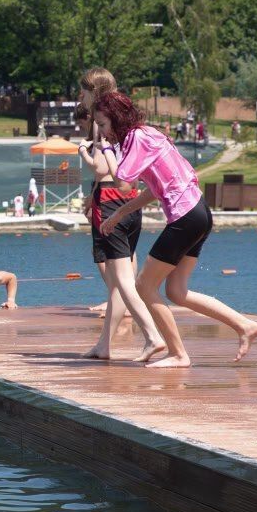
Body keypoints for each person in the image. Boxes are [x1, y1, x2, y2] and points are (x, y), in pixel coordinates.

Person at [96, 91, 257, 368]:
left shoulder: (136, 138)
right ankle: (244, 325)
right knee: (176, 291)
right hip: (199, 213)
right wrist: (121, 213)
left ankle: (178, 353)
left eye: (103, 124)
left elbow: (124, 184)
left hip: (186, 217)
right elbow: (155, 189)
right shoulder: (148, 134)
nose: (102, 132)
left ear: (115, 119)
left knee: (144, 285)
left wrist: (106, 151)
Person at [74, 97, 165, 362]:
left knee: (120, 280)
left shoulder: (104, 128)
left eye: (82, 90)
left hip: (112, 203)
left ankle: (151, 335)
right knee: (120, 279)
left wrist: (83, 152)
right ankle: (104, 345)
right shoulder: (130, 129)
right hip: (130, 203)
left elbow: (102, 168)